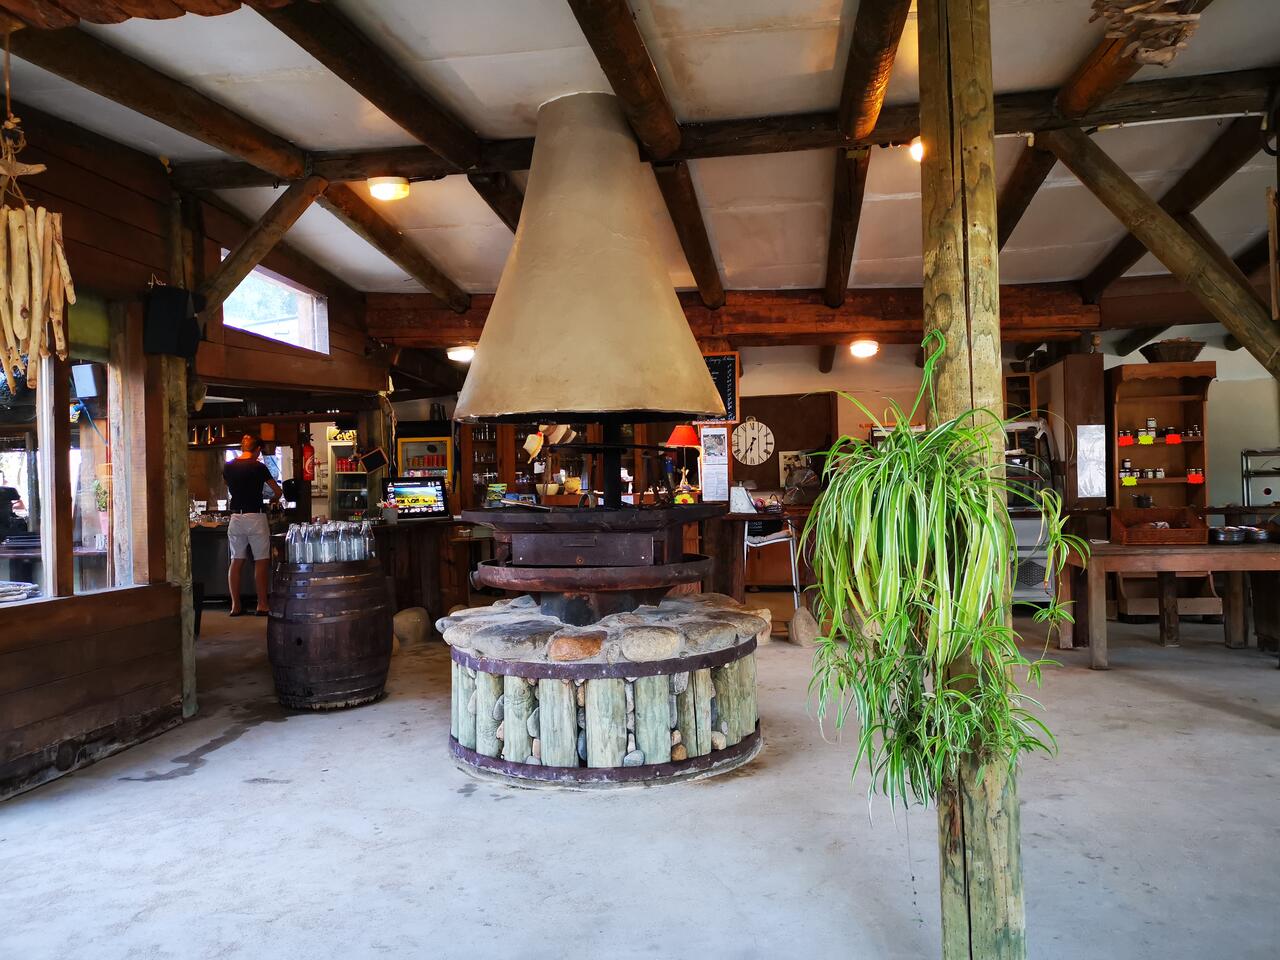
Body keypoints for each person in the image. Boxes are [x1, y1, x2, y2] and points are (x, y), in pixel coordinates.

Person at [223, 434, 282, 617]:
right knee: (261, 561)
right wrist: (273, 499)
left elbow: (229, 485)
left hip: (236, 517)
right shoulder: (259, 467)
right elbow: (277, 491)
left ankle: (235, 606)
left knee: (236, 560)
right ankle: (262, 604)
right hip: (256, 516)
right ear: (257, 450)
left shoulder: (228, 466)